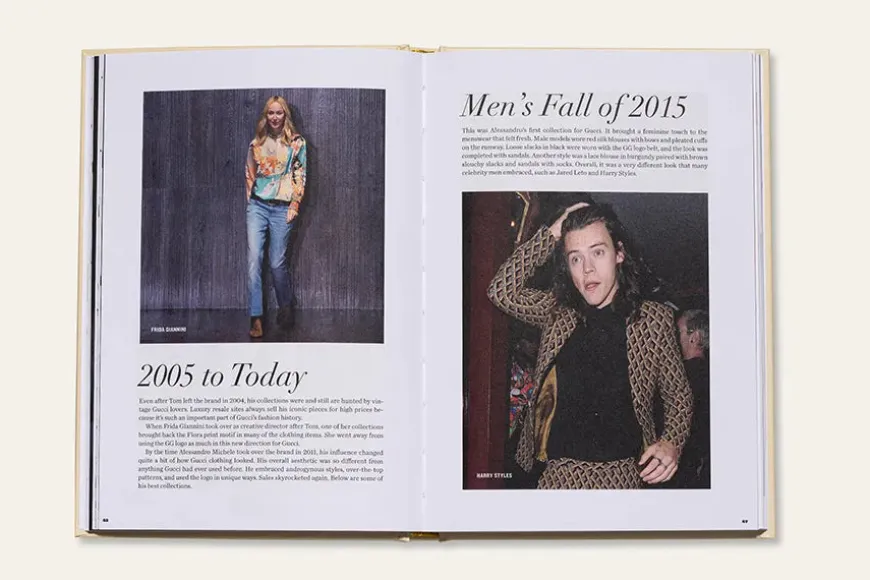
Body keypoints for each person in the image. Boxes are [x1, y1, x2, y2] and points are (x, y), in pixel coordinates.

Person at [487, 201, 693, 489]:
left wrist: (672, 442)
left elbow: (678, 395)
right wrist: (552, 234)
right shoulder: (558, 313)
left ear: (619, 253)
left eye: (597, 252)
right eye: (575, 258)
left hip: (624, 478)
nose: (587, 269)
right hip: (556, 478)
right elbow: (501, 291)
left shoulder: (653, 319)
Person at [245, 96, 308, 339]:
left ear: (285, 115)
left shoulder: (296, 143)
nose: (274, 117)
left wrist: (295, 203)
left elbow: (300, 174)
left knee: (276, 263)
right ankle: (256, 317)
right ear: (266, 116)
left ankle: (286, 305)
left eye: (278, 113)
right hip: (258, 207)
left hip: (283, 209)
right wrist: (251, 202)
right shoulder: (257, 143)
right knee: (254, 260)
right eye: (270, 113)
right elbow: (249, 174)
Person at [673, 308, 710, 488]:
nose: (673, 338)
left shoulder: (684, 376)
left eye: (678, 332)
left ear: (694, 337)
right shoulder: (708, 373)